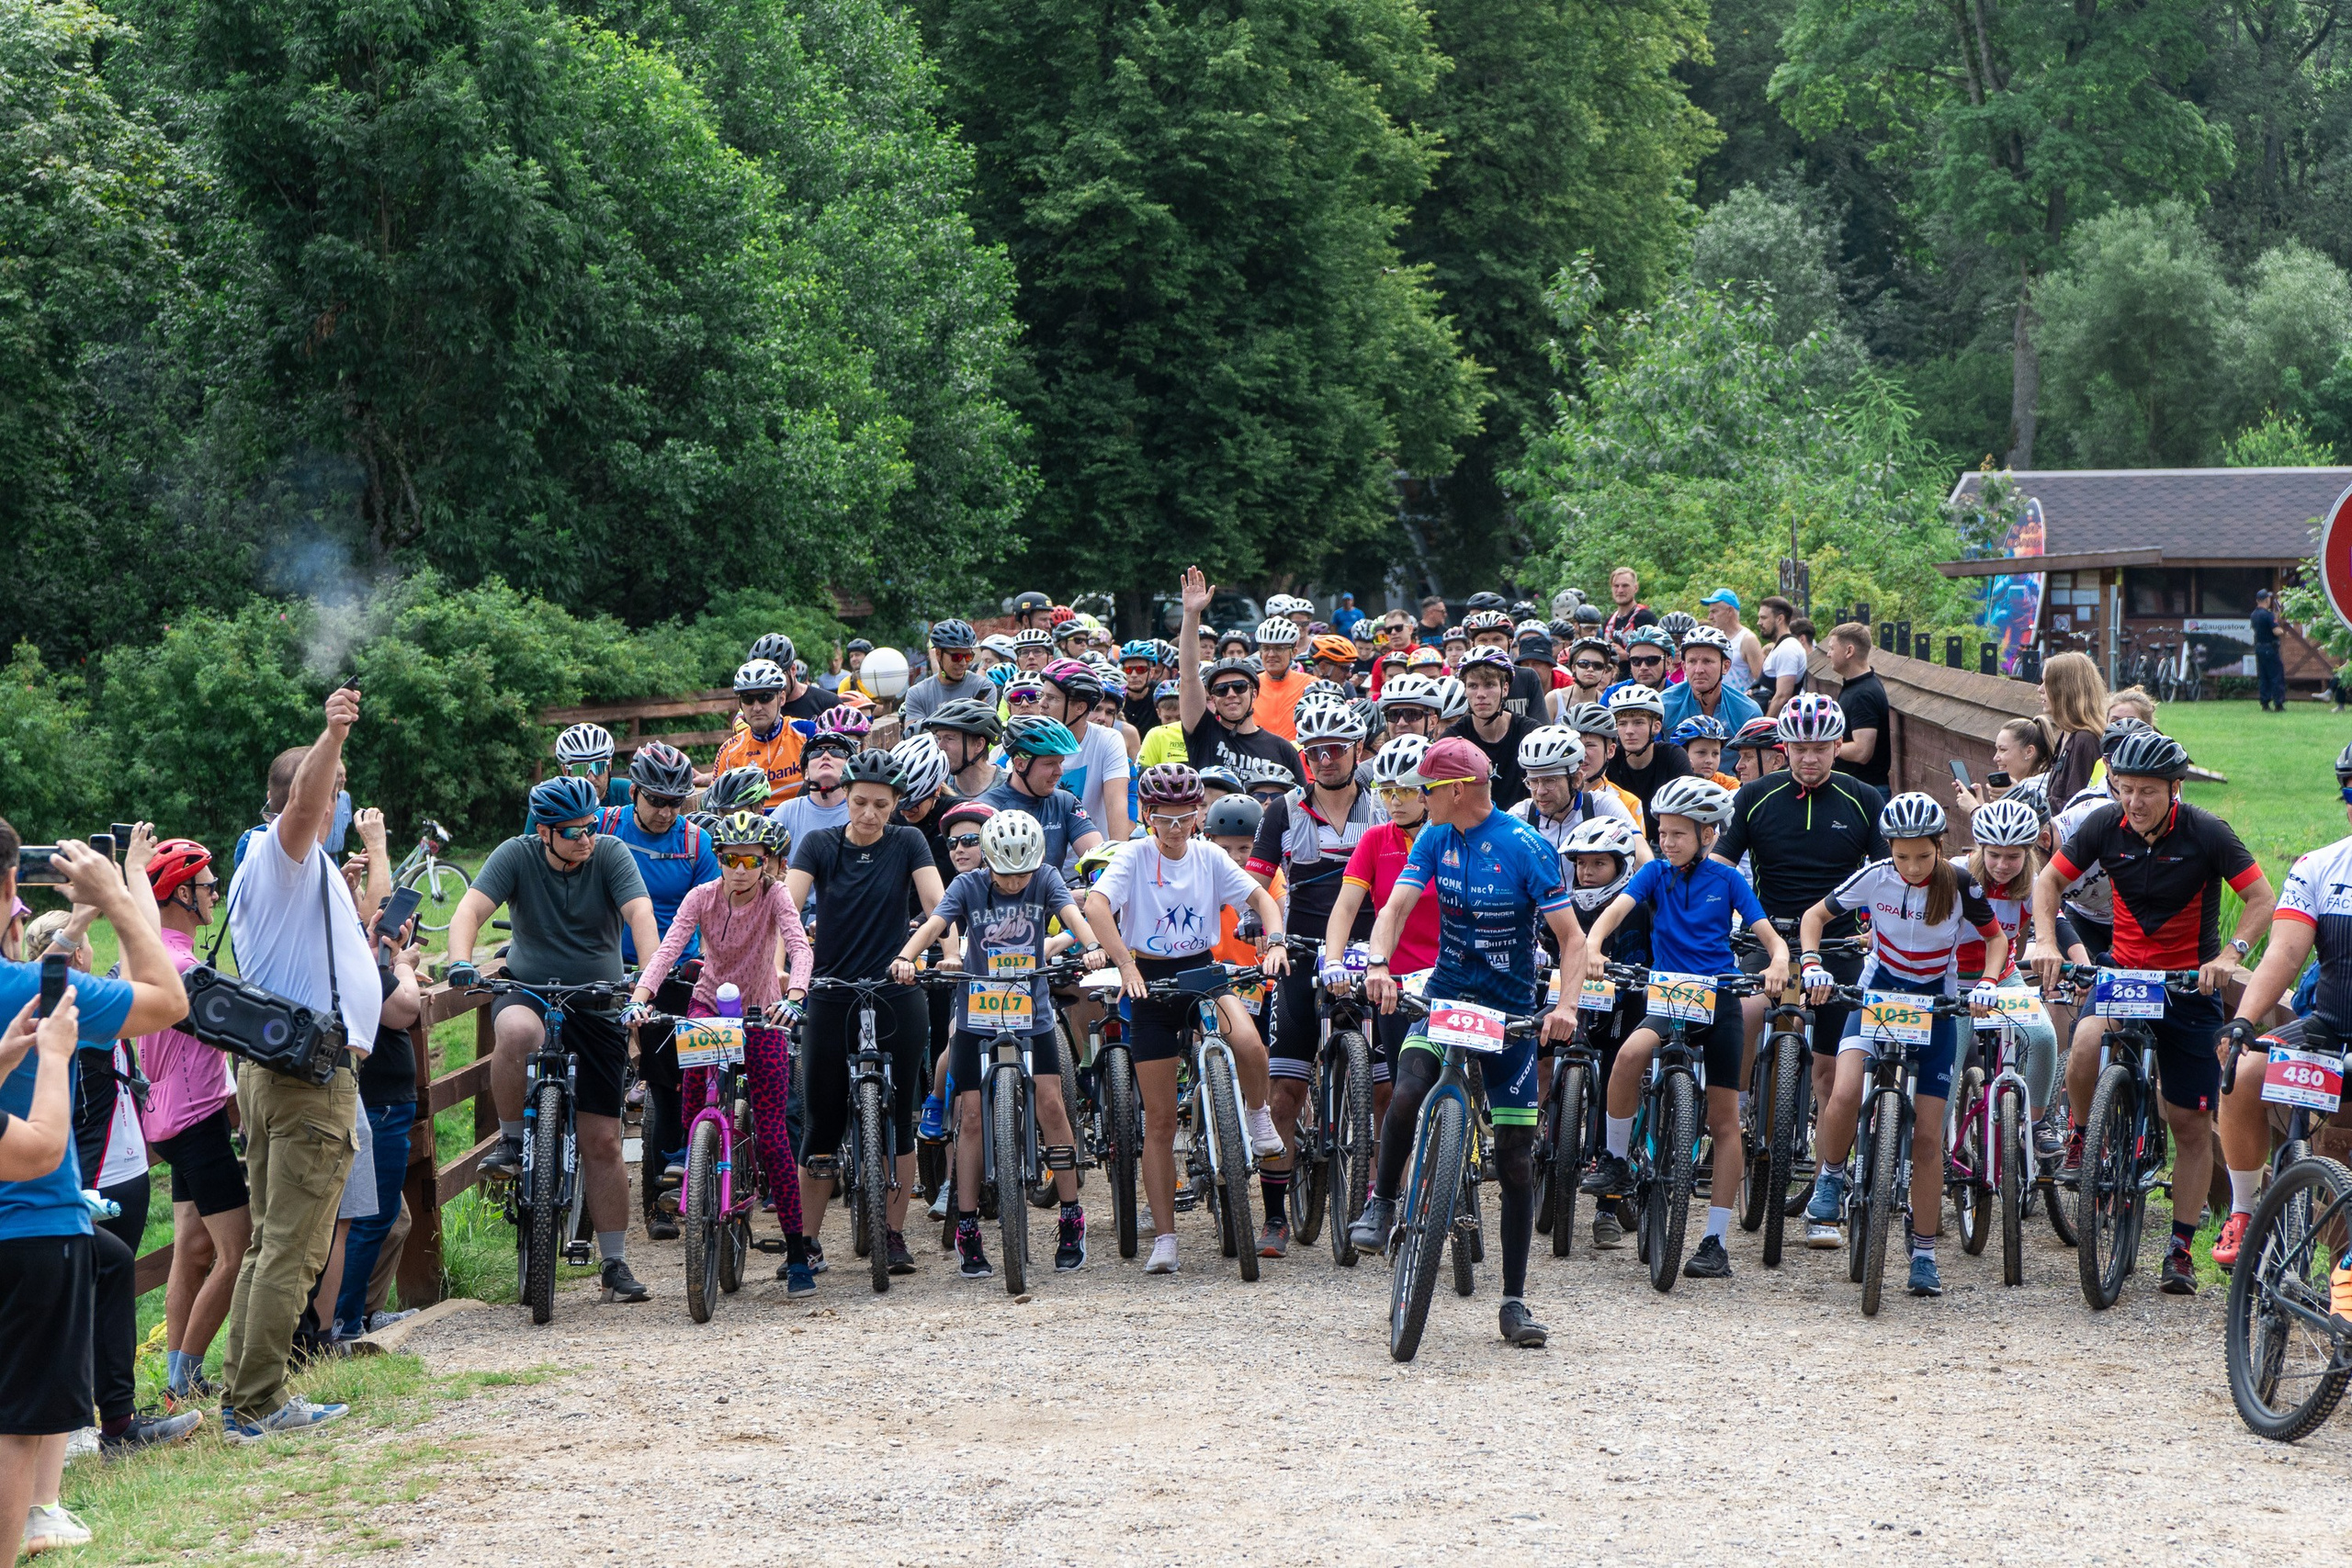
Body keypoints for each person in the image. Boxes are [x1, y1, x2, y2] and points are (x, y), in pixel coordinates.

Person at [1346, 738, 1583, 1348]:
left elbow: (1572, 939)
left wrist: (1564, 1008)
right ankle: (1383, 1198)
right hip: (1445, 993)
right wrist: (1378, 962)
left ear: (1456, 789)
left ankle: (1513, 1299)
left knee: (1513, 1155)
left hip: (1509, 1010)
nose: (1419, 799)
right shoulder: (1432, 838)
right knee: (1408, 1089)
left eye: (1427, 788)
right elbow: (1395, 907)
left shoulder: (1528, 847)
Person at [2031, 727, 2273, 1292]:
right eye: (2125, 789)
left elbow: (2261, 899)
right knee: (2085, 1044)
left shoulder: (2206, 832)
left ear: (2175, 789)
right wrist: (2045, 940)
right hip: (2124, 973)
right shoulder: (2103, 825)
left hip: (2189, 983)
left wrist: (2229, 955)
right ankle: (2084, 1139)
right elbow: (2046, 883)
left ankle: (2180, 1249)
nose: (2134, 802)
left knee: (2189, 1124)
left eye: (2148, 791)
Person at [216, 687, 385, 1439]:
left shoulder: (283, 862)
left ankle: (243, 1392)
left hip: (271, 1071)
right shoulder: (282, 847)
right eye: (333, 793)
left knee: (268, 1242)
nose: (339, 803)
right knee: (293, 1243)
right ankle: (258, 1402)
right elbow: (305, 799)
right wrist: (333, 734)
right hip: (308, 1078)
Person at [447, 773, 661, 1303]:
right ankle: (513, 1139)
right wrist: (458, 960)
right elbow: (470, 909)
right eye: (571, 832)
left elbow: (640, 914)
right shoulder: (515, 855)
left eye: (589, 827)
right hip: (530, 988)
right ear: (543, 832)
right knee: (516, 1031)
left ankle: (614, 1262)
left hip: (598, 997)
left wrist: (646, 983)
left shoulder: (610, 854)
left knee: (604, 1141)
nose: (585, 840)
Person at [1083, 764, 1289, 1274]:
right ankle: (1167, 1240)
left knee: (1249, 1043)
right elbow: (1096, 904)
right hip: (1148, 979)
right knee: (1158, 1120)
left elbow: (1261, 897)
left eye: (1186, 818)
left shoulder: (1210, 855)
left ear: (1198, 816)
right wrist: (1125, 964)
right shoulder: (1132, 855)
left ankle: (1258, 1117)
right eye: (1165, 819)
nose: (1176, 829)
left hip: (1200, 969)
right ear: (1148, 816)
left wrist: (1277, 939)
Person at [1798, 794, 2007, 1297]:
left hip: (1938, 1006)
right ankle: (1830, 1178)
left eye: (1922, 855)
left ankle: (1926, 1254)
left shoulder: (1960, 884)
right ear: (1889, 850)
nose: (1912, 866)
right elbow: (1813, 917)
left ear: (1939, 847)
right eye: (1901, 855)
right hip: (1877, 996)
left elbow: (1997, 939)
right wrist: (1810, 963)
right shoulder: (1875, 876)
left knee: (1928, 1139)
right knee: (1844, 1093)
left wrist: (1989, 981)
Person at [1579, 776, 1788, 1281]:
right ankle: (1616, 1159)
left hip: (1718, 1001)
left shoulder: (1729, 879)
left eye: (1678, 833)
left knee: (1724, 1122)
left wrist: (1779, 961)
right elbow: (1616, 910)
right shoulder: (1653, 874)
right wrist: (1593, 946)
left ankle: (1715, 1240)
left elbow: (1769, 936)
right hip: (1669, 998)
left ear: (1709, 834)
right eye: (1663, 831)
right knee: (1629, 1057)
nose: (1666, 841)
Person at [893, 811, 1104, 1280]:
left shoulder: (1047, 878)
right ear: (988, 862)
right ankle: (967, 1225)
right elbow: (936, 923)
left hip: (1034, 1009)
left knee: (1052, 1106)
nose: (1015, 883)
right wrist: (907, 956)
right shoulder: (968, 885)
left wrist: (1090, 944)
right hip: (977, 1012)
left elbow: (1074, 914)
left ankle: (1071, 1216)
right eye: (1006, 874)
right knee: (970, 1117)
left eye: (1023, 873)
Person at [629, 811, 813, 1286]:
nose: (740, 869)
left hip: (763, 1012)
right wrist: (640, 1000)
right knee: (693, 1098)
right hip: (708, 1005)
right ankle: (694, 1163)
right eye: (730, 859)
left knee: (771, 1131)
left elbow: (799, 946)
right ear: (720, 860)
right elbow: (667, 951)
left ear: (767, 861)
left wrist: (794, 997)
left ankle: (796, 1252)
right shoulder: (702, 897)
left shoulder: (776, 897)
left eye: (751, 860)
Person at [786, 751, 946, 1276]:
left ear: (896, 804)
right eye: (860, 802)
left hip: (895, 986)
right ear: (845, 798)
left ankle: (894, 1234)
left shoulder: (909, 842)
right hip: (830, 990)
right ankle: (806, 1242)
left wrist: (941, 951)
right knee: (823, 1122)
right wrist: (787, 977)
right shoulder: (818, 844)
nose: (870, 814)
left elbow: (937, 904)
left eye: (882, 804)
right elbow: (788, 912)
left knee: (900, 1119)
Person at [1713, 694, 1887, 1121]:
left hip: (1837, 942)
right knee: (1743, 1012)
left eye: (1821, 748)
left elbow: (1890, 876)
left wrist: (1876, 929)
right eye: (1800, 749)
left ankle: (1828, 1174)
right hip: (1769, 936)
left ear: (1838, 746)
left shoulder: (1863, 799)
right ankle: (1731, 1112)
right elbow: (1719, 870)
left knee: (1829, 1075)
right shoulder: (1753, 796)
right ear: (1784, 748)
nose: (1810, 758)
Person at [1246, 699, 1378, 1258]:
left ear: (1356, 752)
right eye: (1315, 751)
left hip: (1372, 952)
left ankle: (1376, 1197)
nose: (1325, 760)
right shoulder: (1282, 811)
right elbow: (1256, 886)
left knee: (1385, 1086)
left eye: (1336, 750)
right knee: (1285, 1089)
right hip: (1302, 950)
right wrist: (1262, 934)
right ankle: (1275, 1215)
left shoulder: (1382, 806)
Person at [2214, 741, 2352, 1266]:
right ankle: (2245, 1209)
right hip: (2332, 1029)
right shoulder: (2320, 866)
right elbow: (2285, 953)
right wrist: (2245, 1021)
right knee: (2244, 1068)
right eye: (2350, 791)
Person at [136, 838, 250, 1405]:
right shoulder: (184, 968)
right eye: (208, 887)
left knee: (191, 1248)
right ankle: (186, 1374)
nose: (214, 896)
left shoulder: (150, 954)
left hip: (165, 1121)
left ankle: (173, 1382)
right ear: (182, 894)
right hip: (198, 1120)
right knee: (239, 1248)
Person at [593, 742, 718, 1238]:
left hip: (671, 972)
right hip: (607, 964)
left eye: (676, 801)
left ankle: (662, 1198)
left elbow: (712, 910)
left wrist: (705, 963)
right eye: (657, 800)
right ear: (636, 791)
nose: (667, 811)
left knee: (669, 1082)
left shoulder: (694, 842)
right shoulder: (603, 826)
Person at [1324, 735, 1438, 1117]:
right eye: (1387, 791)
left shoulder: (1453, 837)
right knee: (1404, 1093)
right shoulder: (1375, 840)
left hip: (1450, 977)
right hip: (1395, 983)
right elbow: (1345, 908)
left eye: (1405, 790)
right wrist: (1334, 961)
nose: (1394, 802)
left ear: (1427, 790)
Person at [1958, 797, 2070, 1158]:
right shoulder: (1955, 874)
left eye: (2013, 857)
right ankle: (1932, 1155)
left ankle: (2037, 1125)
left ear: (2028, 853)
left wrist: (2080, 962)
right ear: (1980, 849)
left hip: (2002, 978)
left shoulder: (2035, 883)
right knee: (1947, 1067)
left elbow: (2058, 924)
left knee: (2042, 1036)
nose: (2002, 866)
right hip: (1951, 980)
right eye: (1994, 855)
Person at [1177, 569, 1305, 783]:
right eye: (1220, 689)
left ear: (1254, 693)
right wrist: (1191, 614)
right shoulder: (1204, 733)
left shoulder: (1283, 750)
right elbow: (1189, 675)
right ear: (1213, 698)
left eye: (1239, 686)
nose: (1230, 693)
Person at [1037, 660, 1134, 849]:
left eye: (1052, 698)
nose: (1041, 704)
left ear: (1080, 708)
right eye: (1042, 695)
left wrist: (1119, 866)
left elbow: (1117, 807)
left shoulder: (1108, 740)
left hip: (1093, 860)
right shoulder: (1031, 738)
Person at [1446, 649, 1542, 809]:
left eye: (1489, 685)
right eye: (1473, 686)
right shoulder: (1453, 738)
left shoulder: (1531, 733)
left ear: (1505, 688)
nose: (1481, 694)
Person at [708, 659, 809, 807]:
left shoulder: (806, 733)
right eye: (748, 699)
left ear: (781, 698)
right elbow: (714, 805)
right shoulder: (729, 751)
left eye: (765, 697)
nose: (756, 707)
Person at [1602, 684, 1692, 836]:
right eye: (1622, 724)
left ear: (1656, 727)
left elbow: (1687, 806)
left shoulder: (1673, 756)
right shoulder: (1610, 759)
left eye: (1638, 722)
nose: (1629, 731)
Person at [2038, 650, 2109, 815]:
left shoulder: (2084, 740)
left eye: (2047, 683)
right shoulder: (2067, 734)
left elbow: (2076, 809)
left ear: (2065, 689)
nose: (2040, 689)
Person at [1821, 623, 1890, 790]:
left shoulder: (1863, 694)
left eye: (1832, 648)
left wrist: (1824, 746)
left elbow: (1862, 752)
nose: (1828, 654)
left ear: (1849, 651)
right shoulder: (1856, 687)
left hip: (1864, 790)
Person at [1661, 625, 1761, 733]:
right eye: (1692, 661)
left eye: (1707, 661)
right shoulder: (1665, 705)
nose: (1699, 670)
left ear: (1725, 666)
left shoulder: (1748, 712)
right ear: (1684, 667)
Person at [1950, 716, 2055, 818]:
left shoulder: (2040, 791)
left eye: (2003, 750)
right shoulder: (2029, 788)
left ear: (2029, 752)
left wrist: (1974, 809)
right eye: (1997, 749)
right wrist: (1980, 804)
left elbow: (2005, 835)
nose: (1995, 758)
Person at [903, 620, 990, 727]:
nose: (963, 663)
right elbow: (914, 735)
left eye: (968, 657)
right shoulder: (917, 693)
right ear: (938, 654)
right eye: (956, 657)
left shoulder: (983, 687)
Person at [924, 698, 1005, 800]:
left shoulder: (1009, 787)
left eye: (949, 738)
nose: (940, 747)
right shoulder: (937, 790)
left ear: (979, 744)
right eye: (938, 738)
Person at [1698, 590, 1766, 694]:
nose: (1710, 617)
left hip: (1739, 706)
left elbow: (1761, 682)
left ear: (1729, 611)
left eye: (1714, 612)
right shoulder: (1714, 639)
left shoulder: (1747, 640)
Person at [1757, 595, 1808, 715]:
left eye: (1763, 618)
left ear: (1780, 619)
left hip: (1776, 727)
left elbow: (1782, 696)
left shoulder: (1788, 648)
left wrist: (1764, 728)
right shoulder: (1781, 646)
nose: (1759, 622)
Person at [1601, 568, 1658, 675]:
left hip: (1640, 680)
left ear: (1635, 588)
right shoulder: (1608, 622)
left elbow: (1658, 653)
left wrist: (1626, 655)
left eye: (1625, 586)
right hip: (1612, 682)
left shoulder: (1646, 618)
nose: (1620, 590)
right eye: (1616, 586)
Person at [1670, 716, 1736, 789]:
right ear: (1682, 753)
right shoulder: (1667, 782)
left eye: (1715, 753)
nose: (1709, 760)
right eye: (1701, 752)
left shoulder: (1729, 785)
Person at [2251, 588, 2287, 711]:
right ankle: (2278, 704)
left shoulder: (2254, 614)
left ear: (2257, 600)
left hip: (2259, 648)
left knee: (2263, 676)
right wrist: (2282, 630)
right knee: (2276, 675)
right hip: (2270, 649)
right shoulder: (2268, 615)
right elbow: (2276, 631)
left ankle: (2265, 704)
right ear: (2267, 600)